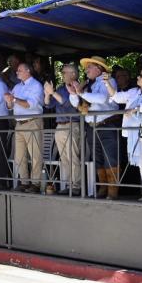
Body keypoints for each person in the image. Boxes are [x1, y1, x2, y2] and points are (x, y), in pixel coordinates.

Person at [107, 68, 142, 202]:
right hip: (136, 134)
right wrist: (106, 83)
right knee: (141, 164)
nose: (138, 77)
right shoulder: (134, 92)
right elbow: (116, 97)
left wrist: (135, 109)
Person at [68, 57, 120, 199]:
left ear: (99, 68)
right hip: (92, 126)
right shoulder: (86, 84)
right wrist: (74, 93)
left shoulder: (108, 80)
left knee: (110, 158)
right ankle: (103, 188)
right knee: (97, 159)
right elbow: (75, 104)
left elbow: (102, 98)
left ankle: (113, 191)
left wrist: (81, 93)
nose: (86, 70)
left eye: (89, 67)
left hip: (107, 125)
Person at [6, 63, 45, 193]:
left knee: (35, 155)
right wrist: (9, 101)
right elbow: (11, 107)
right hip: (19, 123)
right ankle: (24, 182)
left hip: (32, 122)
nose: (17, 73)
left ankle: (36, 183)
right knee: (20, 156)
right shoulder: (17, 86)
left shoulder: (36, 85)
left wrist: (14, 99)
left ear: (28, 71)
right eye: (17, 71)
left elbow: (31, 105)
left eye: (19, 71)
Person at [44, 64, 82, 196]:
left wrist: (53, 92)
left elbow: (69, 106)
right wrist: (47, 94)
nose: (62, 74)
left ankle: (76, 186)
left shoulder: (78, 87)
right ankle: (68, 184)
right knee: (64, 158)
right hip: (60, 126)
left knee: (72, 157)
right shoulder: (60, 88)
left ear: (73, 74)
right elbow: (48, 105)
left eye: (65, 72)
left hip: (72, 124)